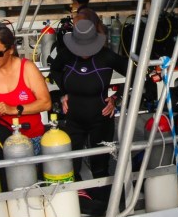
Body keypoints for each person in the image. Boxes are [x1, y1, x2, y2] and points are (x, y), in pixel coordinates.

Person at [48, 19, 128, 181]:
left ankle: (103, 202)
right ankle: (79, 201)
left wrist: (116, 99)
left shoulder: (107, 57)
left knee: (100, 168)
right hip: (73, 119)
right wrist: (64, 93)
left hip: (101, 120)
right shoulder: (66, 55)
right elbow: (54, 70)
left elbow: (135, 74)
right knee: (72, 166)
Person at [0, 25, 53, 153]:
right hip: (0, 141)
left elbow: (46, 103)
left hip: (31, 139)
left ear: (11, 50)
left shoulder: (28, 68)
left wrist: (13, 110)